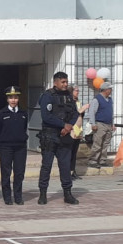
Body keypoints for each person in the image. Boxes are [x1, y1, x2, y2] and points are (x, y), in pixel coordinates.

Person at [38, 71, 79, 205]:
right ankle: (43, 194)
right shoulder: (47, 96)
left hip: (65, 136)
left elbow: (75, 113)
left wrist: (68, 126)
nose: (65, 84)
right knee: (46, 166)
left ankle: (67, 193)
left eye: (66, 82)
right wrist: (63, 125)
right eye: (63, 82)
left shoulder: (68, 96)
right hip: (50, 136)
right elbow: (46, 116)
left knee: (65, 166)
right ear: (55, 82)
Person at [0, 86, 29, 205]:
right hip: (6, 147)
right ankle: (7, 197)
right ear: (7, 99)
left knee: (19, 173)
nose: (13, 100)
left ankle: (18, 196)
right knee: (6, 172)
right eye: (11, 98)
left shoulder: (23, 113)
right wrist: (3, 140)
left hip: (20, 147)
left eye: (15, 97)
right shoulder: (1, 113)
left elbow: (24, 128)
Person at [87, 82, 114, 169]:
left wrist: (112, 124)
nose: (111, 90)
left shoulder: (110, 100)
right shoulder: (97, 99)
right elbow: (91, 112)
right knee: (97, 143)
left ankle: (103, 160)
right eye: (110, 89)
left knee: (105, 144)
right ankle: (93, 160)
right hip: (100, 124)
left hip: (108, 124)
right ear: (106, 90)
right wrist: (93, 123)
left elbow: (111, 113)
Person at [67, 85, 89, 180]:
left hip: (78, 129)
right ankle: (68, 172)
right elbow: (74, 114)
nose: (78, 92)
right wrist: (82, 109)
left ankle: (73, 171)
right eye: (76, 90)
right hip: (72, 129)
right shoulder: (69, 102)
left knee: (75, 152)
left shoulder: (78, 102)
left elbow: (80, 115)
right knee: (70, 152)